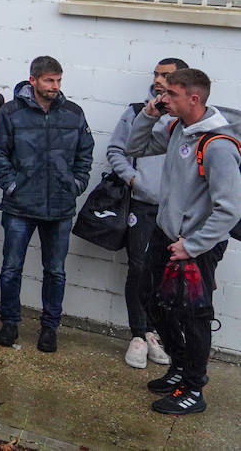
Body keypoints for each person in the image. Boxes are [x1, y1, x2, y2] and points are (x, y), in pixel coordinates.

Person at [127, 68, 239, 415]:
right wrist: (149, 115)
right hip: (165, 235)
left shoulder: (217, 146)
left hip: (196, 247)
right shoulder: (177, 127)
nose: (163, 98)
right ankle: (178, 366)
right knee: (151, 299)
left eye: (170, 94)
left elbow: (230, 210)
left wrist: (192, 246)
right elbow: (135, 146)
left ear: (194, 98)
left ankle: (193, 388)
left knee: (195, 315)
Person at [0, 55, 93, 353]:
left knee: (55, 271)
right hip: (20, 205)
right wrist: (11, 184)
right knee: (11, 267)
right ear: (33, 80)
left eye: (58, 81)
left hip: (60, 207)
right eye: (49, 80)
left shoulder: (73, 113)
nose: (55, 86)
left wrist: (76, 184)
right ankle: (9, 323)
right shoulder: (10, 113)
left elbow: (85, 153)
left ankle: (49, 328)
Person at [105, 58, 188, 370]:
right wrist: (133, 179)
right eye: (155, 74)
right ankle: (138, 335)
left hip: (176, 212)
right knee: (138, 268)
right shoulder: (138, 111)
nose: (157, 80)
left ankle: (156, 333)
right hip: (142, 206)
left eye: (164, 76)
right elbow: (117, 150)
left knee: (167, 274)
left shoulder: (187, 120)